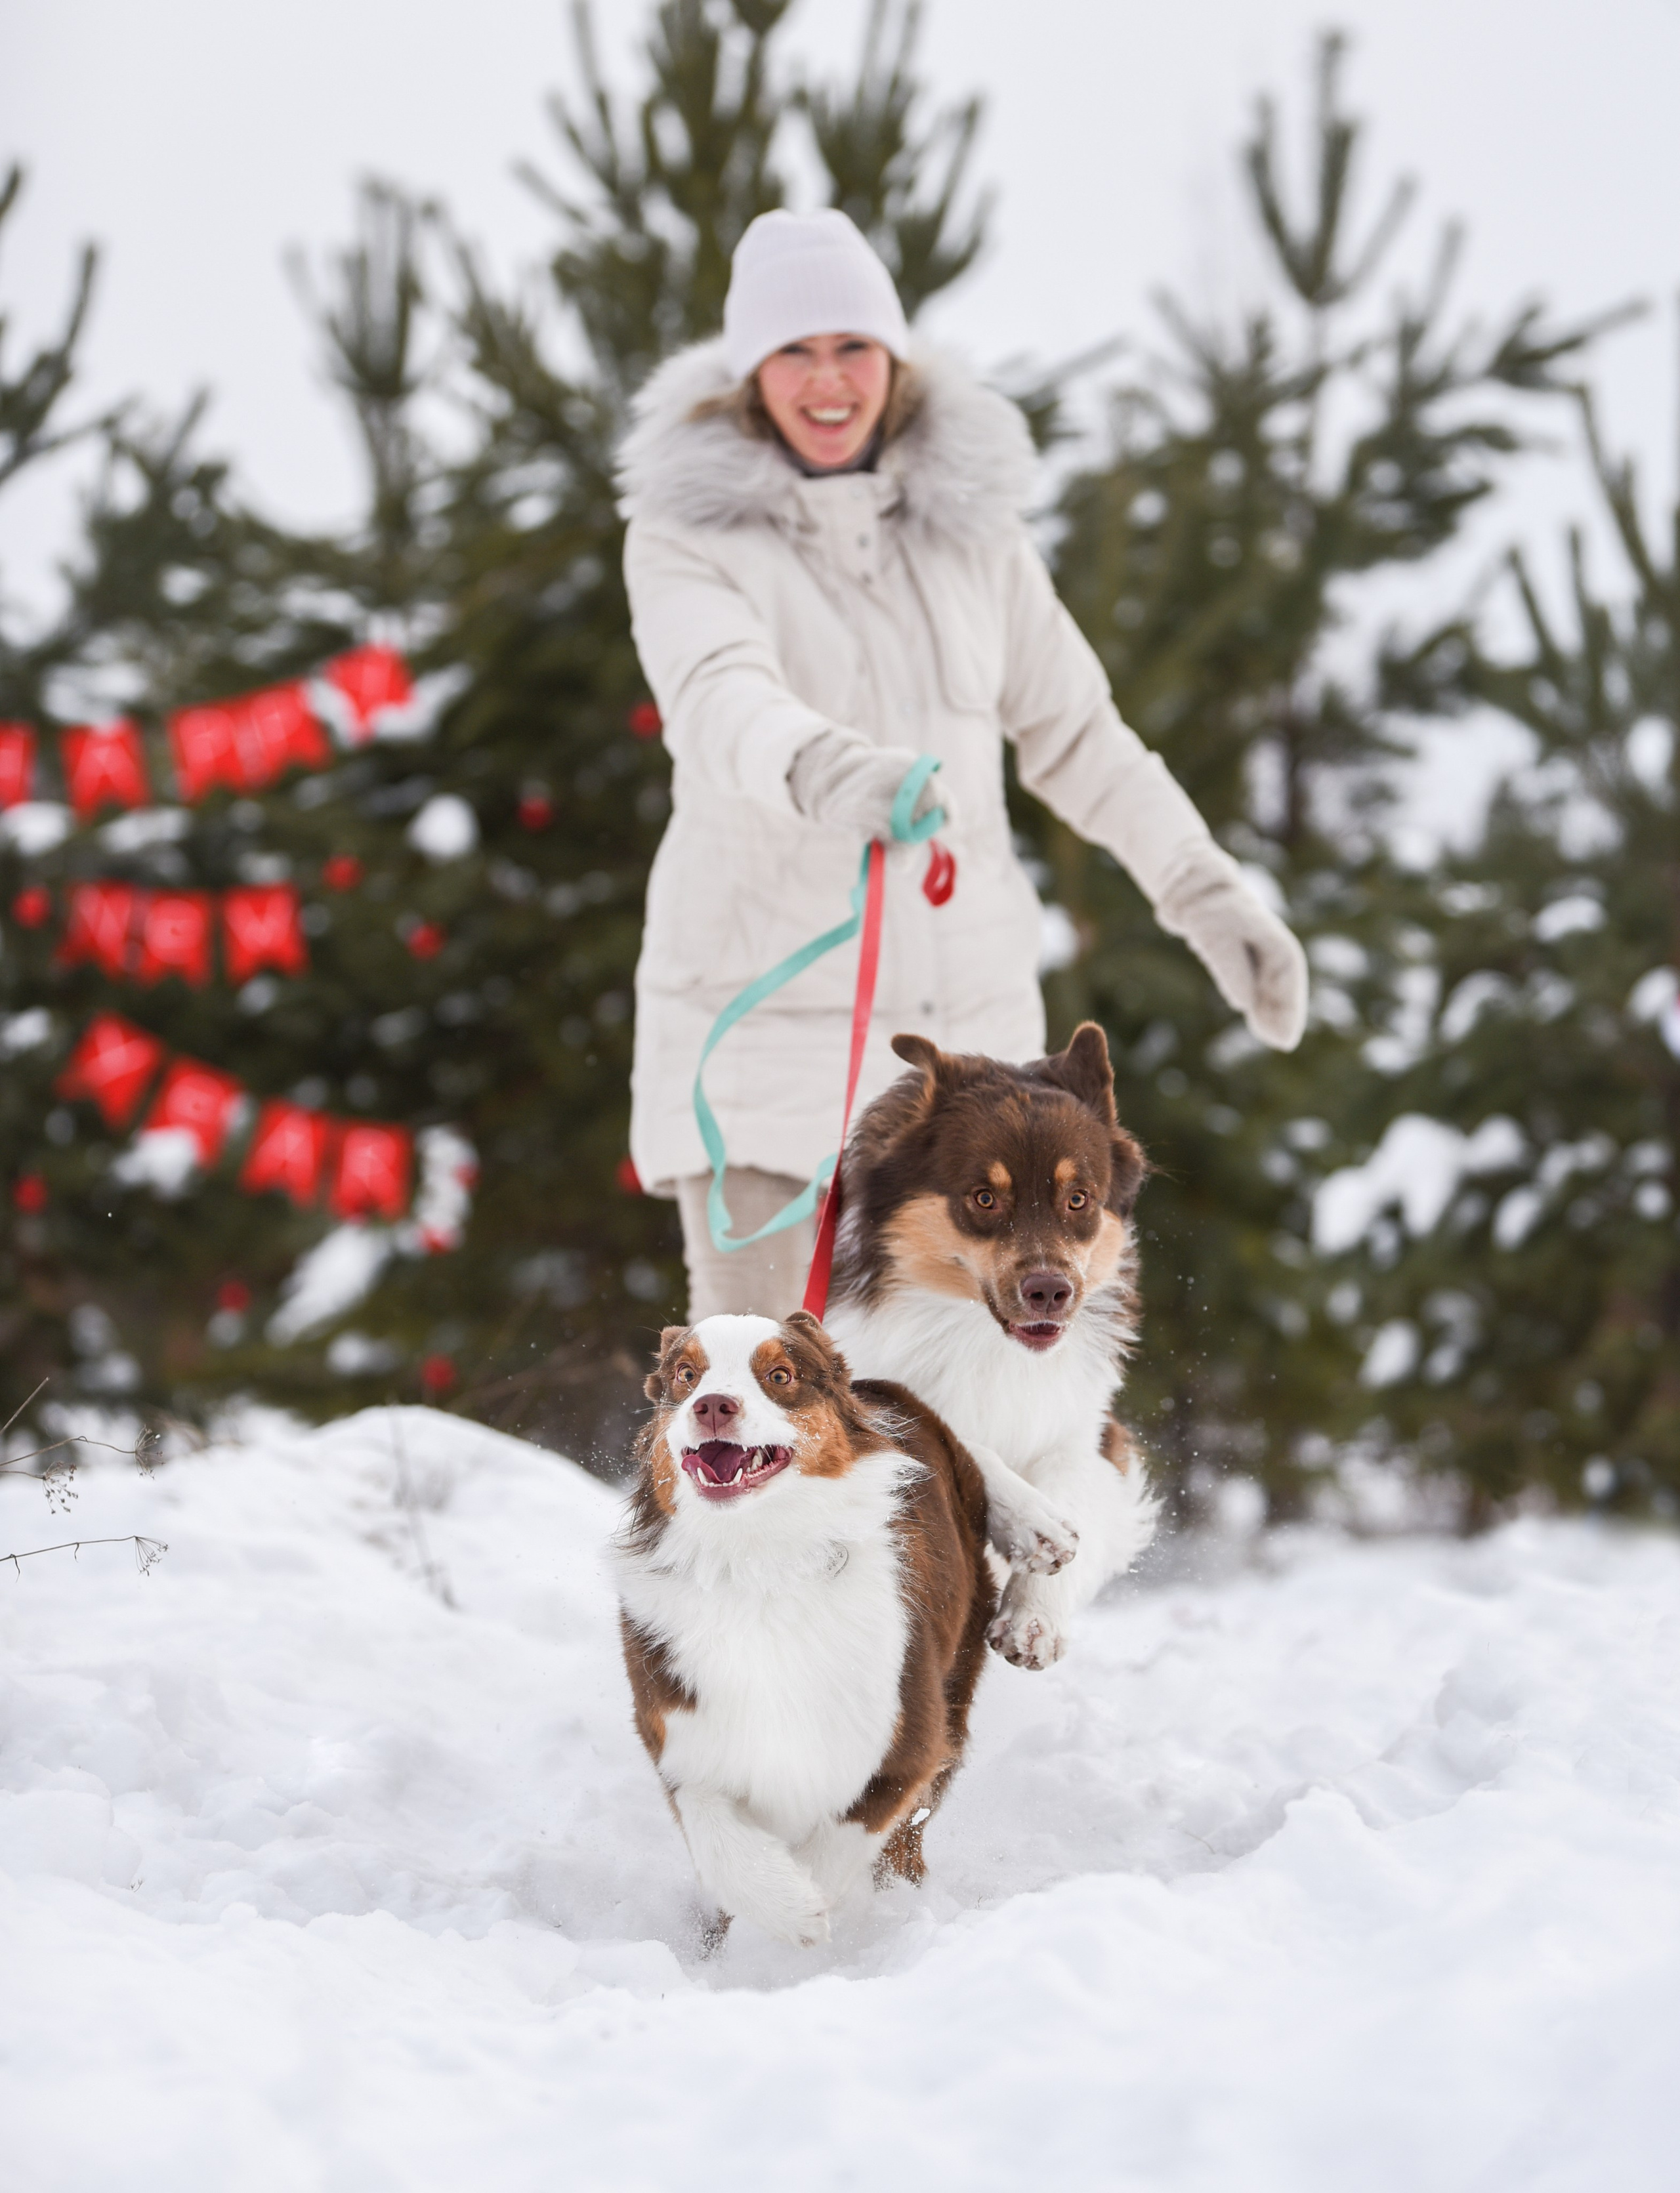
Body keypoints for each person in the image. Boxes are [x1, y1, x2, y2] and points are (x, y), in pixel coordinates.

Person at [616, 209, 1308, 1321]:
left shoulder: (974, 536)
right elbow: (717, 700)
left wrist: (1204, 891)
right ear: (751, 372)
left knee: (976, 1433)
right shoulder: (686, 535)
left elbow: (1081, 735)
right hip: (768, 1057)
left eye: (854, 347)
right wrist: (827, 767)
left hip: (972, 1093)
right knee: (769, 1423)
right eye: (795, 351)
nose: (828, 379)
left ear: (895, 359)